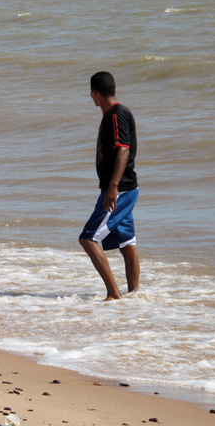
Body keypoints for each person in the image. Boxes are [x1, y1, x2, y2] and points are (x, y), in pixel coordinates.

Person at [79, 72, 140, 301]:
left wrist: (113, 186)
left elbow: (123, 149)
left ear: (94, 93)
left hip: (120, 190)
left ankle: (114, 294)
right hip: (122, 189)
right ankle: (134, 295)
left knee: (88, 238)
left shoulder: (116, 114)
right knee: (126, 242)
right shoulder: (112, 114)